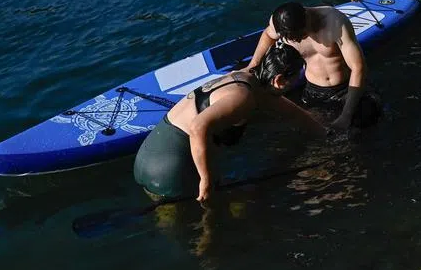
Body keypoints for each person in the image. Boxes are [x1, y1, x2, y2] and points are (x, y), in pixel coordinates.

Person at [133, 42, 324, 201]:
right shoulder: (242, 98)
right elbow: (197, 126)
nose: (299, 80)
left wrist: (324, 132)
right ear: (279, 80)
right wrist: (206, 181)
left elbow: (287, 110)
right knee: (212, 219)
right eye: (297, 77)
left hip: (147, 157)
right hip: (170, 172)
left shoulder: (247, 77)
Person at [244, 2, 381, 133]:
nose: (298, 40)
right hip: (313, 91)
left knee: (355, 130)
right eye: (293, 38)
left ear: (307, 16)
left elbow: (358, 67)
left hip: (346, 89)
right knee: (312, 132)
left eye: (301, 35)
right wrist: (253, 65)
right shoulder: (279, 22)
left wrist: (346, 115)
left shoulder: (335, 21)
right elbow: (268, 34)